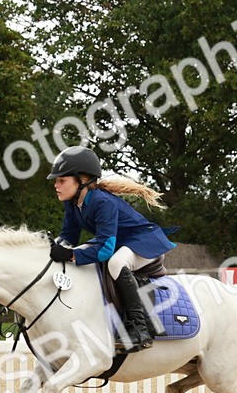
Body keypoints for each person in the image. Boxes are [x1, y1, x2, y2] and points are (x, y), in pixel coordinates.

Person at [46, 146, 176, 352]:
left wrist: (70, 254)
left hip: (144, 241)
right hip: (120, 242)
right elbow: (69, 237)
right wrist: (51, 247)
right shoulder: (72, 203)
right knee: (81, 250)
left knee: (115, 263)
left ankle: (140, 329)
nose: (56, 185)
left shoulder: (102, 202)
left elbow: (105, 250)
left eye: (61, 180)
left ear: (82, 180)